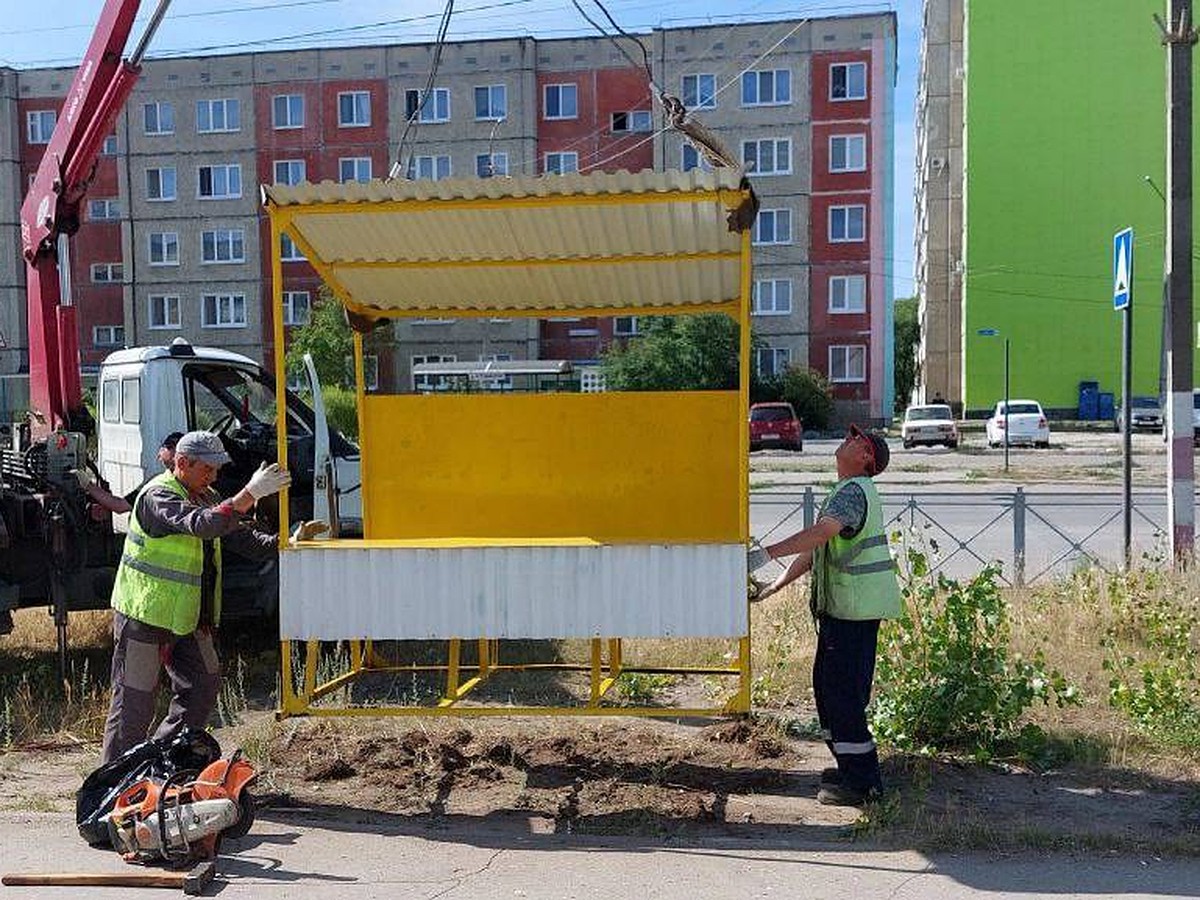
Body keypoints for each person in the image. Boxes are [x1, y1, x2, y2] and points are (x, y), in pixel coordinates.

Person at [100, 430, 291, 764]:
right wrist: (249, 493)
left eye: (217, 469)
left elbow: (243, 540)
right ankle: (112, 786)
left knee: (202, 685)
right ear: (183, 463)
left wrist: (286, 543)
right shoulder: (158, 496)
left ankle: (165, 762)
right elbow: (202, 525)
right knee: (133, 704)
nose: (214, 476)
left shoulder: (205, 494)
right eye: (208, 468)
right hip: (145, 615)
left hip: (188, 618)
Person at [747, 423, 901, 806]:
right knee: (829, 693)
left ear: (866, 456)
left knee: (842, 697)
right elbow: (818, 548)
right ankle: (850, 769)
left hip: (852, 613)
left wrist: (765, 554)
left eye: (855, 439)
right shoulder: (849, 491)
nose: (846, 440)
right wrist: (773, 587)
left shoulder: (852, 491)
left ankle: (864, 785)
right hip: (846, 614)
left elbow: (820, 534)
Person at [73, 431, 186, 516]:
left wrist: (88, 485)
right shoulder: (197, 484)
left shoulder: (156, 484)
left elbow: (120, 506)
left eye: (165, 448)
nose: (159, 453)